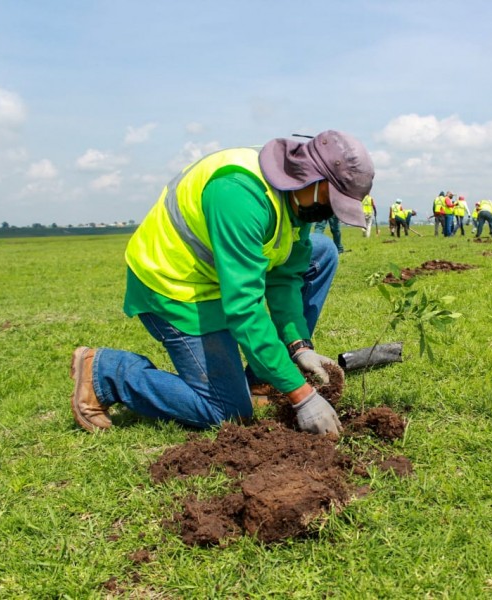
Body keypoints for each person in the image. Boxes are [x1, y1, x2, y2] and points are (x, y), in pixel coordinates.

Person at [69, 130, 374, 436]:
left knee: (322, 253)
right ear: (313, 179)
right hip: (177, 285)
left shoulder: (296, 201)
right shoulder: (239, 194)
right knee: (226, 412)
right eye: (333, 202)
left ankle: (262, 380)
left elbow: (285, 276)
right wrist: (302, 395)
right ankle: (109, 372)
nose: (332, 212)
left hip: (224, 275)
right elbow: (244, 310)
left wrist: (298, 344)